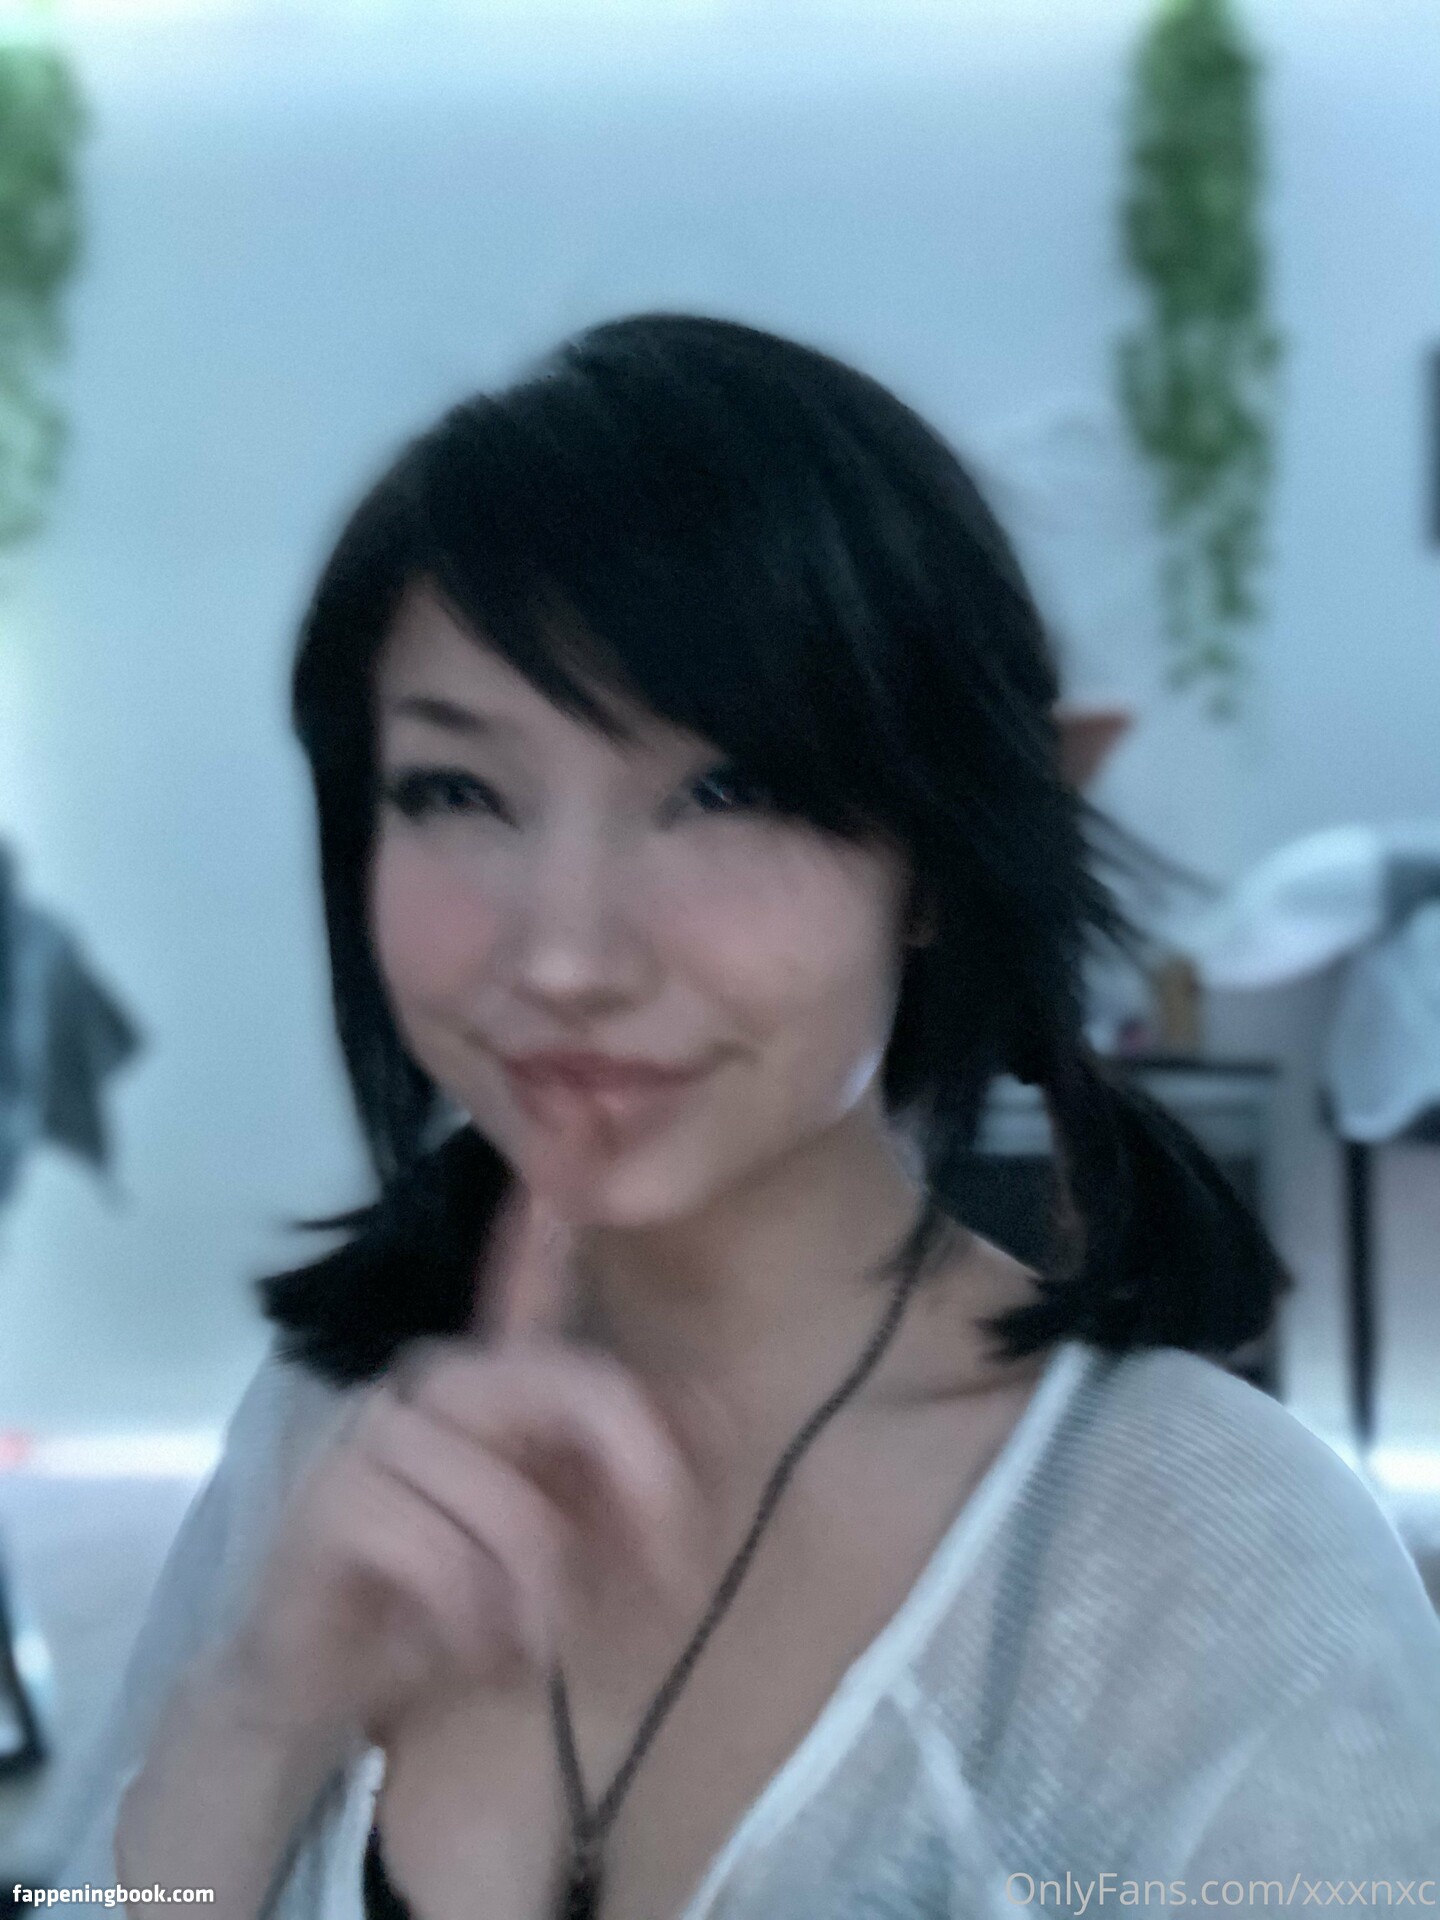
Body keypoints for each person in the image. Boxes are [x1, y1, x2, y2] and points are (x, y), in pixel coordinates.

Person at [52, 314, 1440, 1920]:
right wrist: (250, 1719)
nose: (563, 956)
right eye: (456, 790)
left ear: (934, 862)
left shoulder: (1216, 1572)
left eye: (723, 792)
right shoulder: (331, 1424)